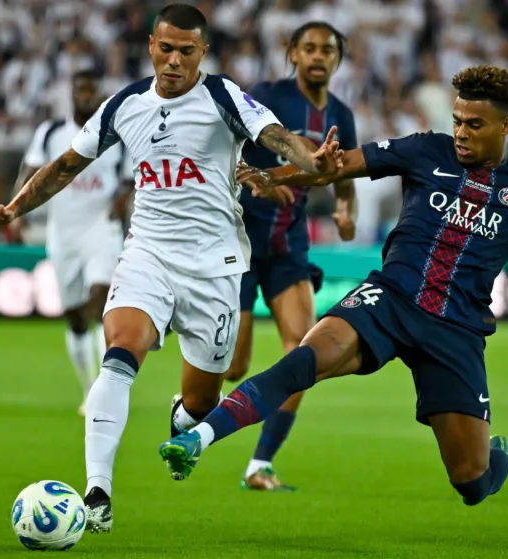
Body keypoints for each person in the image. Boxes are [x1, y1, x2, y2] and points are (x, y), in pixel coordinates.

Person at [157, 65, 508, 507]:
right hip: (389, 300)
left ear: (505, 127)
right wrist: (274, 174)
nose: (461, 132)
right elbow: (337, 166)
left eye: (475, 124)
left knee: (471, 482)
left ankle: (496, 454)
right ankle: (198, 438)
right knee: (304, 358)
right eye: (458, 120)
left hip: (456, 329)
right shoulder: (426, 150)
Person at [0, 3, 341, 533]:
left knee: (204, 401)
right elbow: (66, 164)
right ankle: (97, 492)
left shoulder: (223, 96)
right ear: (151, 47)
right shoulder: (125, 104)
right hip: (148, 256)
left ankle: (182, 416)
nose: (174, 60)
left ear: (202, 52)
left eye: (186, 51)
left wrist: (310, 159)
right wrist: (12, 209)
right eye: (166, 48)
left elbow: (276, 136)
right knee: (119, 354)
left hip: (214, 269)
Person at [176, 21, 358, 493]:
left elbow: (345, 176)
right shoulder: (265, 96)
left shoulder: (341, 114)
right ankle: (187, 408)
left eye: (327, 50)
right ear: (292, 53)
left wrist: (346, 210)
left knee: (302, 354)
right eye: (309, 48)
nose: (318, 56)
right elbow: (227, 152)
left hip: (288, 247)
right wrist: (261, 177)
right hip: (240, 242)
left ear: (337, 59)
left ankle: (259, 466)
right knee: (234, 367)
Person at [12, 69, 131, 415]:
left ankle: (105, 390)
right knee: (76, 318)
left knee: (102, 300)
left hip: (102, 228)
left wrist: (121, 200)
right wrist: (15, 211)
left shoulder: (115, 135)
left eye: (91, 89)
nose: (86, 95)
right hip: (63, 234)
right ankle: (88, 386)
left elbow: (129, 177)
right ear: (72, 94)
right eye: (81, 89)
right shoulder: (51, 133)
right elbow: (30, 172)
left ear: (99, 94)